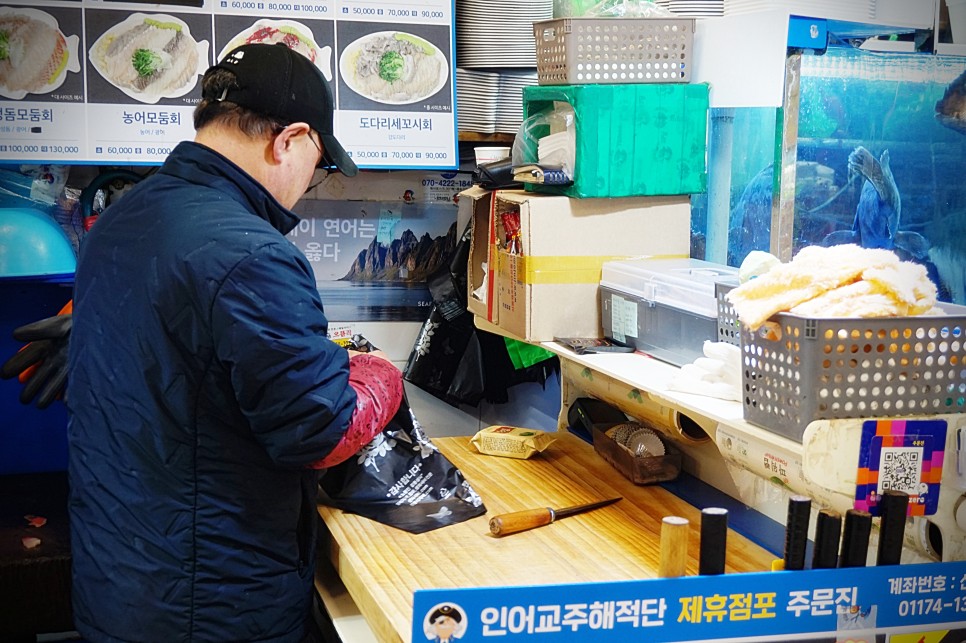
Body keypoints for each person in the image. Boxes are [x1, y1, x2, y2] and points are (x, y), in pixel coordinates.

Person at [64, 42, 403, 641]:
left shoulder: (121, 217)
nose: (311, 183)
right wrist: (380, 374)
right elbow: (322, 431)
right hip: (211, 606)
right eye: (320, 163)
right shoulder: (253, 254)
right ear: (289, 140)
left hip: (118, 583)